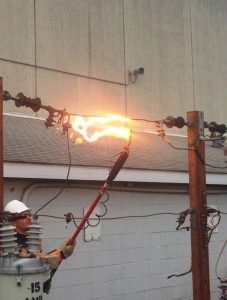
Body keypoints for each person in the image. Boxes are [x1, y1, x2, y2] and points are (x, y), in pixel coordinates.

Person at [4, 199, 75, 263]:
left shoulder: (31, 238)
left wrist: (61, 252)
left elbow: (39, 260)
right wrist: (60, 254)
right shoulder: (6, 242)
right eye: (23, 216)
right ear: (12, 221)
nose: (28, 218)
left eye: (29, 214)